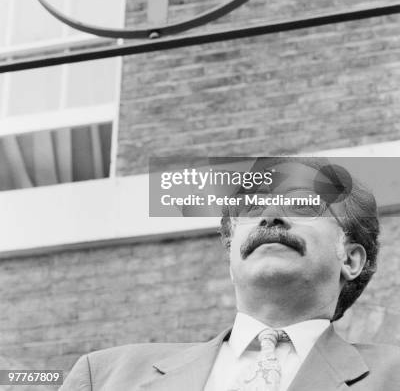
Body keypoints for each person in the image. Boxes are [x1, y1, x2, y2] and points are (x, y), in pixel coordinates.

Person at [60, 157, 400, 390]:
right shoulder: (104, 377)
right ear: (231, 259)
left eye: (302, 205)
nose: (270, 216)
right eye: (251, 208)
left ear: (351, 260)